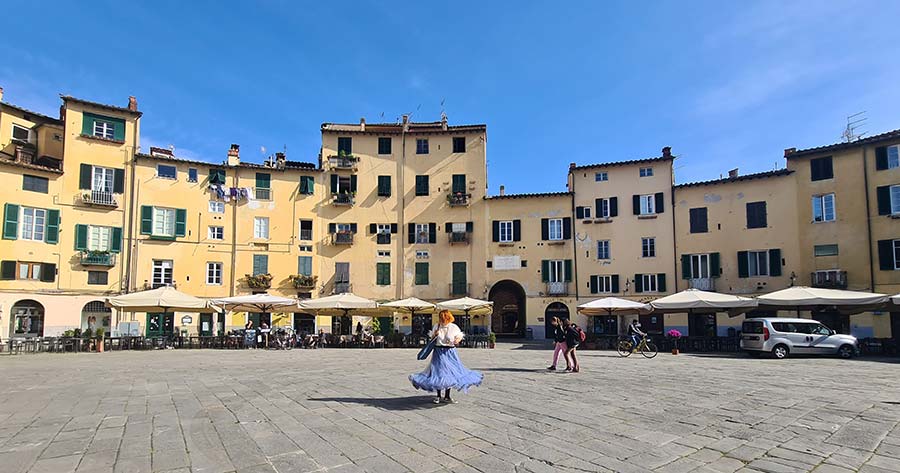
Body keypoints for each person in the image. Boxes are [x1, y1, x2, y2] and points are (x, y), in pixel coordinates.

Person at [410, 310, 483, 404]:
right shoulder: (437, 326)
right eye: (441, 317)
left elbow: (459, 336)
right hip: (438, 351)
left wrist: (457, 340)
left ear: (448, 317)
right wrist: (434, 335)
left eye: (444, 317)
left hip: (450, 352)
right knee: (438, 373)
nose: (442, 319)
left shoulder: (453, 327)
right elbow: (432, 338)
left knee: (450, 374)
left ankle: (447, 396)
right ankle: (438, 396)